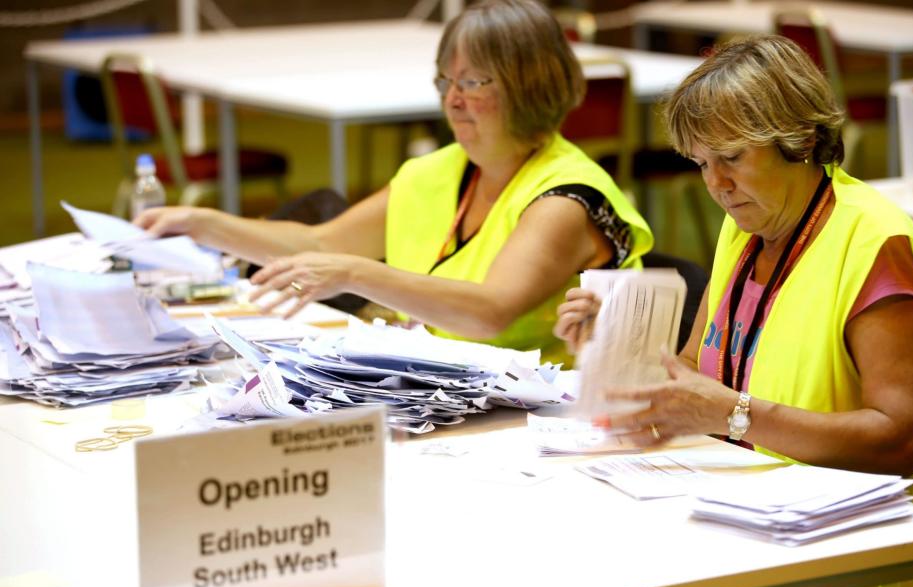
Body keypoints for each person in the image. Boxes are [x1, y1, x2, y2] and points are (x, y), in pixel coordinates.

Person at [556, 35, 913, 587]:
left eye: (733, 158)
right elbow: (697, 373)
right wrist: (616, 338)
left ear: (802, 139)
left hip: (847, 563)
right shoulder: (746, 223)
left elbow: (895, 441)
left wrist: (736, 415)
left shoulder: (874, 243)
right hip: (747, 525)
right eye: (702, 163)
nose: (716, 185)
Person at [135, 0, 652, 364]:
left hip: (538, 418)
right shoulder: (439, 169)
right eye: (445, 82)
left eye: (472, 82)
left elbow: (491, 312)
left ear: (530, 86)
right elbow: (318, 243)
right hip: (440, 392)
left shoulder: (566, 196)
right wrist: (201, 223)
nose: (452, 100)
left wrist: (359, 274)